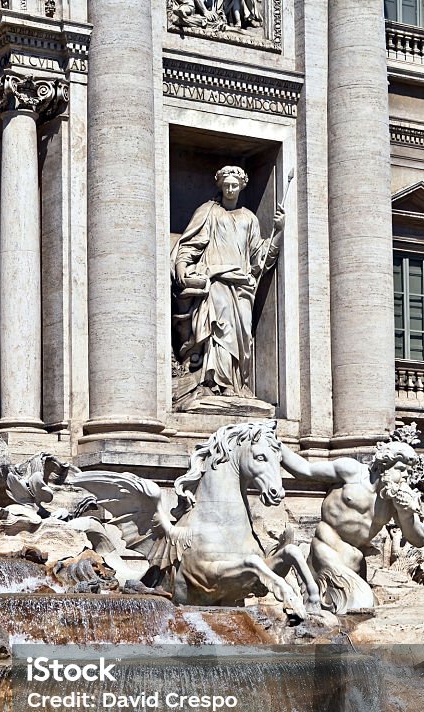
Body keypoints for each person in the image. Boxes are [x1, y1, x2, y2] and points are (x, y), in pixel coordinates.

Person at [171, 165, 284, 407]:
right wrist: (181, 266)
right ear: (220, 186)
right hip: (217, 283)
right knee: (219, 333)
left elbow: (260, 259)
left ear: (242, 187)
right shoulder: (208, 211)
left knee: (241, 337)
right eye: (226, 185)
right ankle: (214, 385)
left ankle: (236, 383)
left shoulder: (249, 219)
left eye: (235, 185)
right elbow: (190, 244)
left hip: (242, 288)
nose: (230, 189)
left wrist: (278, 232)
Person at [281, 441, 424, 612]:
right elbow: (305, 470)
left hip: (356, 563)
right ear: (381, 466)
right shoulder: (352, 472)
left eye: (409, 471)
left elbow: (418, 539)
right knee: (359, 604)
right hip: (327, 549)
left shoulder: (395, 499)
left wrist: (406, 514)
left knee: (361, 611)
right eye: (400, 469)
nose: (406, 476)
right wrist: (275, 445)